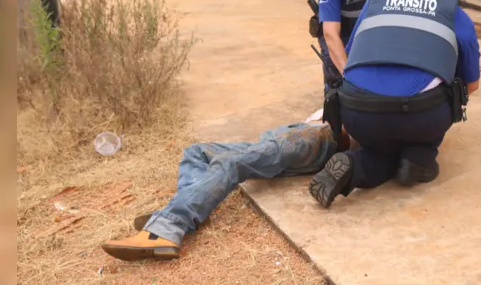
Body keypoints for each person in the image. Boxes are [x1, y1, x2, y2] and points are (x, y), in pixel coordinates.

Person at [308, 0, 481, 208]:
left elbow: (353, 54)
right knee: (449, 90)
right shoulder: (457, 17)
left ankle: (356, 166)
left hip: (357, 112)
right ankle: (419, 157)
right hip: (420, 118)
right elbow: (472, 85)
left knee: (381, 148)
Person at [101, 111, 352, 261]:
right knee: (196, 151)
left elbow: (353, 133)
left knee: (230, 163)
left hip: (309, 139)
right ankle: (198, 206)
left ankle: (168, 229)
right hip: (287, 137)